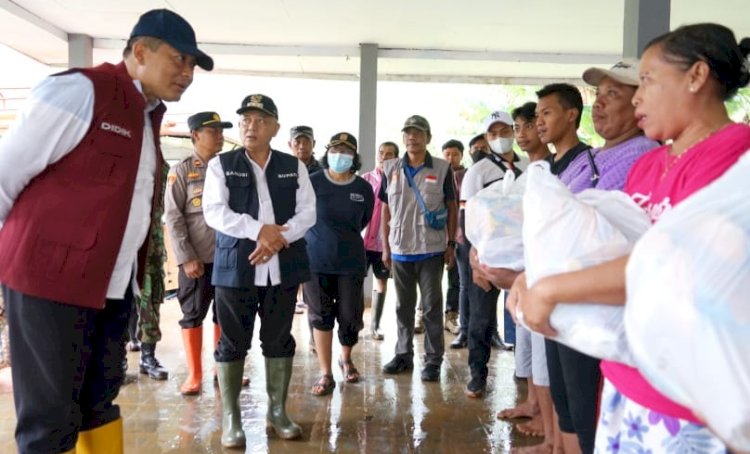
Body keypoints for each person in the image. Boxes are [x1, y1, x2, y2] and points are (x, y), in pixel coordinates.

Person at [514, 24, 750, 453]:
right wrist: (534, 272)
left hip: (688, 400)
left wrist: (551, 288)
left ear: (696, 77)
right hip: (628, 380)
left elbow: (679, 267)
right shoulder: (650, 164)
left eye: (647, 81)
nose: (637, 97)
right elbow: (609, 246)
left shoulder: (734, 157)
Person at [0, 8, 211, 453]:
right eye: (180, 59)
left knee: (100, 401)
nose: (188, 73)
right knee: (50, 419)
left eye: (193, 66)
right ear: (140, 51)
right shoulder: (79, 92)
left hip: (111, 288)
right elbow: (5, 177)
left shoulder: (147, 117)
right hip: (48, 285)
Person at [203, 94, 315, 447]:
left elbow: (308, 211)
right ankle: (232, 419)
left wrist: (278, 240)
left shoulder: (292, 165)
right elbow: (214, 211)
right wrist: (258, 231)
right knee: (233, 341)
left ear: (275, 128)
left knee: (279, 339)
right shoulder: (221, 165)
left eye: (260, 120)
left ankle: (277, 412)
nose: (251, 126)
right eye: (246, 120)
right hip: (237, 267)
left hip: (283, 268)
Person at [164, 111, 248, 395]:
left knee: (225, 315)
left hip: (227, 258)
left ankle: (220, 368)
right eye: (213, 131)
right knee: (193, 314)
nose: (220, 135)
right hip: (196, 260)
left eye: (221, 130)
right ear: (195, 135)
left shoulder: (229, 167)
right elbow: (174, 217)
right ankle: (194, 374)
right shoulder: (182, 171)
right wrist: (186, 257)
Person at [495, 101, 556, 452]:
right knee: (528, 347)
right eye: (516, 128)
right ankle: (533, 403)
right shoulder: (522, 171)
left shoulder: (551, 167)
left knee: (545, 353)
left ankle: (550, 431)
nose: (520, 134)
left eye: (526, 126)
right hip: (519, 271)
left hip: (542, 275)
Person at [380, 114, 457, 383]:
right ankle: (403, 354)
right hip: (400, 248)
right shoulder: (390, 168)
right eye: (408, 133)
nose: (412, 137)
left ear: (428, 138)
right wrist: (385, 246)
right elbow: (385, 210)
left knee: (432, 306)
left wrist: (451, 243)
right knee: (402, 306)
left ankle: (433, 361)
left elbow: (451, 206)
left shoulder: (442, 168)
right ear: (403, 137)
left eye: (418, 133)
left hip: (431, 249)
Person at [461, 110, 527, 398]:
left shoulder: (530, 164)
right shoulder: (477, 172)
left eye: (504, 131)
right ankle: (478, 374)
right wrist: (475, 265)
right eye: (493, 133)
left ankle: (525, 371)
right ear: (486, 139)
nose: (499, 137)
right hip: (487, 259)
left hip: (523, 260)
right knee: (481, 319)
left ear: (514, 131)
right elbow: (467, 222)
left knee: (525, 316)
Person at [305, 132, 374, 395]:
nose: (340, 155)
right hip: (315, 260)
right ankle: (325, 373)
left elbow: (363, 220)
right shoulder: (312, 182)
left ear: (354, 156)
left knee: (349, 316)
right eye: (335, 150)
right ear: (327, 153)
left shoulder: (363, 188)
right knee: (320, 316)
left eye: (346, 151)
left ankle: (346, 358)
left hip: (350, 261)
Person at [450, 133, 490, 350]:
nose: (480, 151)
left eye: (484, 147)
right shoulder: (461, 176)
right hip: (464, 238)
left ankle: (492, 333)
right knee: (466, 285)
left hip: (492, 239)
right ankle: (464, 330)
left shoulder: (502, 172)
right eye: (475, 148)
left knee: (491, 286)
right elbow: (455, 208)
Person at [362, 141, 399, 340]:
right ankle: (355, 322)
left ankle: (375, 326)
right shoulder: (365, 179)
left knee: (381, 282)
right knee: (356, 281)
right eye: (381, 153)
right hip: (362, 241)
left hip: (385, 242)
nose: (384, 156)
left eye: (389, 153)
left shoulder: (398, 180)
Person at [288, 125, 319, 315]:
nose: (301, 146)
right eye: (297, 141)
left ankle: (315, 337)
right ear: (290, 144)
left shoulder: (323, 170)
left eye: (306, 141)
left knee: (314, 290)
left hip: (315, 234)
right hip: (289, 232)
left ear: (313, 144)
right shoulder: (281, 167)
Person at [441, 139, 466, 337]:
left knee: (455, 279)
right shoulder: (438, 174)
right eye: (447, 154)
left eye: (455, 154)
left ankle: (451, 315)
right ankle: (422, 314)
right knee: (430, 280)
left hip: (460, 235)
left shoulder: (468, 176)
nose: (451, 158)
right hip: (436, 235)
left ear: (462, 156)